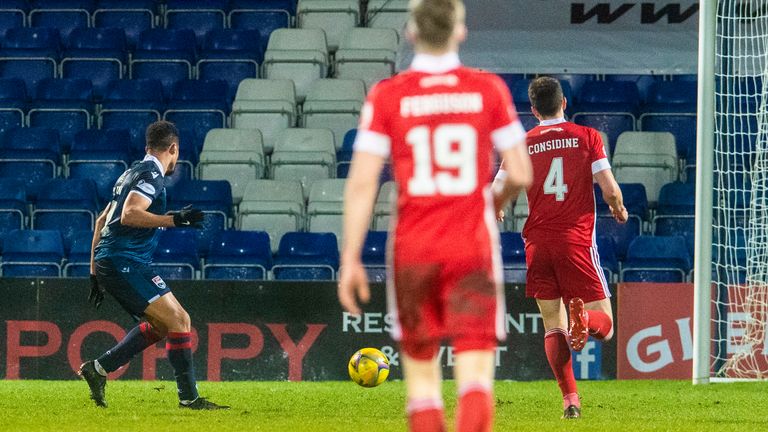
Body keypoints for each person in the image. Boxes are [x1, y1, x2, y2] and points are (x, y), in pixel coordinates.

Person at [337, 1, 532, 431]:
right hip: (472, 248)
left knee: (423, 381)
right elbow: (520, 171)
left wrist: (350, 256)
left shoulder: (388, 95)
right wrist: (493, 203)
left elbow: (362, 182)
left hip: (414, 249)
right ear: (460, 32)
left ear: (410, 33)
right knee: (476, 378)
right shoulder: (488, 90)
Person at [78, 120, 228, 410]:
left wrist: (94, 273)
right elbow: (130, 214)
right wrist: (174, 219)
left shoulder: (130, 173)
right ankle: (189, 399)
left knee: (165, 324)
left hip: (121, 260)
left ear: (148, 147)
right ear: (173, 148)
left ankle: (98, 369)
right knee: (178, 321)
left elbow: (101, 221)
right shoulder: (152, 176)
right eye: (177, 153)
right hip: (124, 260)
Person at [505, 77, 627, 419]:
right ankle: (585, 318)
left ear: (533, 111)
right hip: (575, 240)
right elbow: (610, 189)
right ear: (564, 103)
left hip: (537, 242)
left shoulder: (523, 143)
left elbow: (499, 191)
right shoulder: (587, 137)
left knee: (552, 324)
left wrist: (498, 209)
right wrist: (618, 208)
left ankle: (570, 400)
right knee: (607, 326)